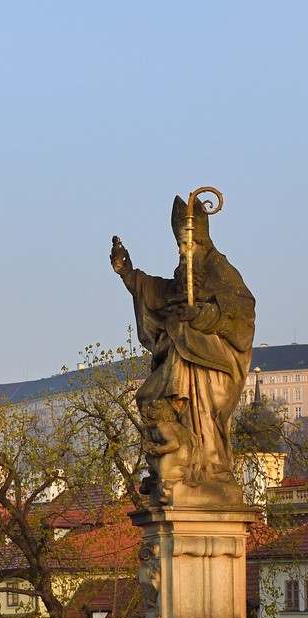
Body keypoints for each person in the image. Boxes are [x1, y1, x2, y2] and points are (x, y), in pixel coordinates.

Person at [111, 198, 255, 498]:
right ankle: (173, 467)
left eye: (186, 242)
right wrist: (128, 274)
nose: (181, 250)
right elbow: (158, 292)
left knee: (200, 413)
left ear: (200, 239)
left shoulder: (219, 269)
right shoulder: (185, 274)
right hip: (184, 356)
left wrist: (203, 315)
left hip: (210, 364)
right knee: (150, 397)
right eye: (179, 243)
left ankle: (208, 468)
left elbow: (242, 311)